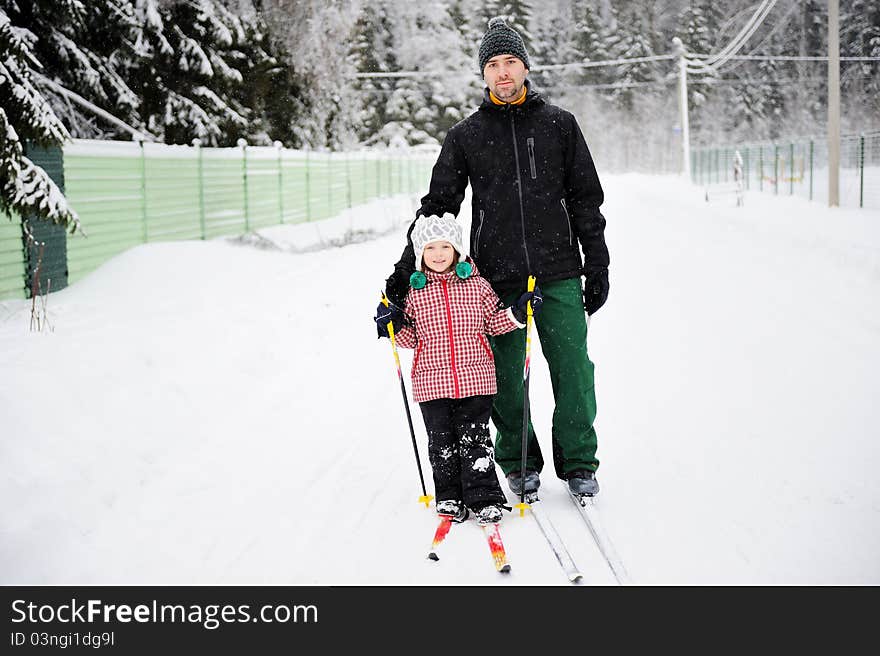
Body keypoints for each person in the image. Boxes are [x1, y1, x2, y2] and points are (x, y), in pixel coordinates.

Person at [376, 17, 609, 498]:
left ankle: (579, 461)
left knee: (573, 369)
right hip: (495, 278)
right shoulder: (466, 136)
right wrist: (401, 277)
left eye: (511, 62)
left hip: (559, 270)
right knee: (502, 376)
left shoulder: (559, 125)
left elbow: (587, 199)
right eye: (494, 65)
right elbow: (437, 207)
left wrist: (597, 263)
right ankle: (518, 458)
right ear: (483, 74)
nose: (504, 73)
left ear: (525, 66)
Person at [375, 214, 542, 524]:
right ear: (420, 252)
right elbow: (412, 338)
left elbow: (493, 322)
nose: (438, 254)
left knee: (475, 441)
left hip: (475, 380)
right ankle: (449, 496)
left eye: (445, 247)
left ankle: (484, 497)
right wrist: (392, 326)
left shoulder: (477, 286)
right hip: (431, 383)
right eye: (430, 248)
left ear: (457, 250)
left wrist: (518, 312)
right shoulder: (415, 293)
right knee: (441, 443)